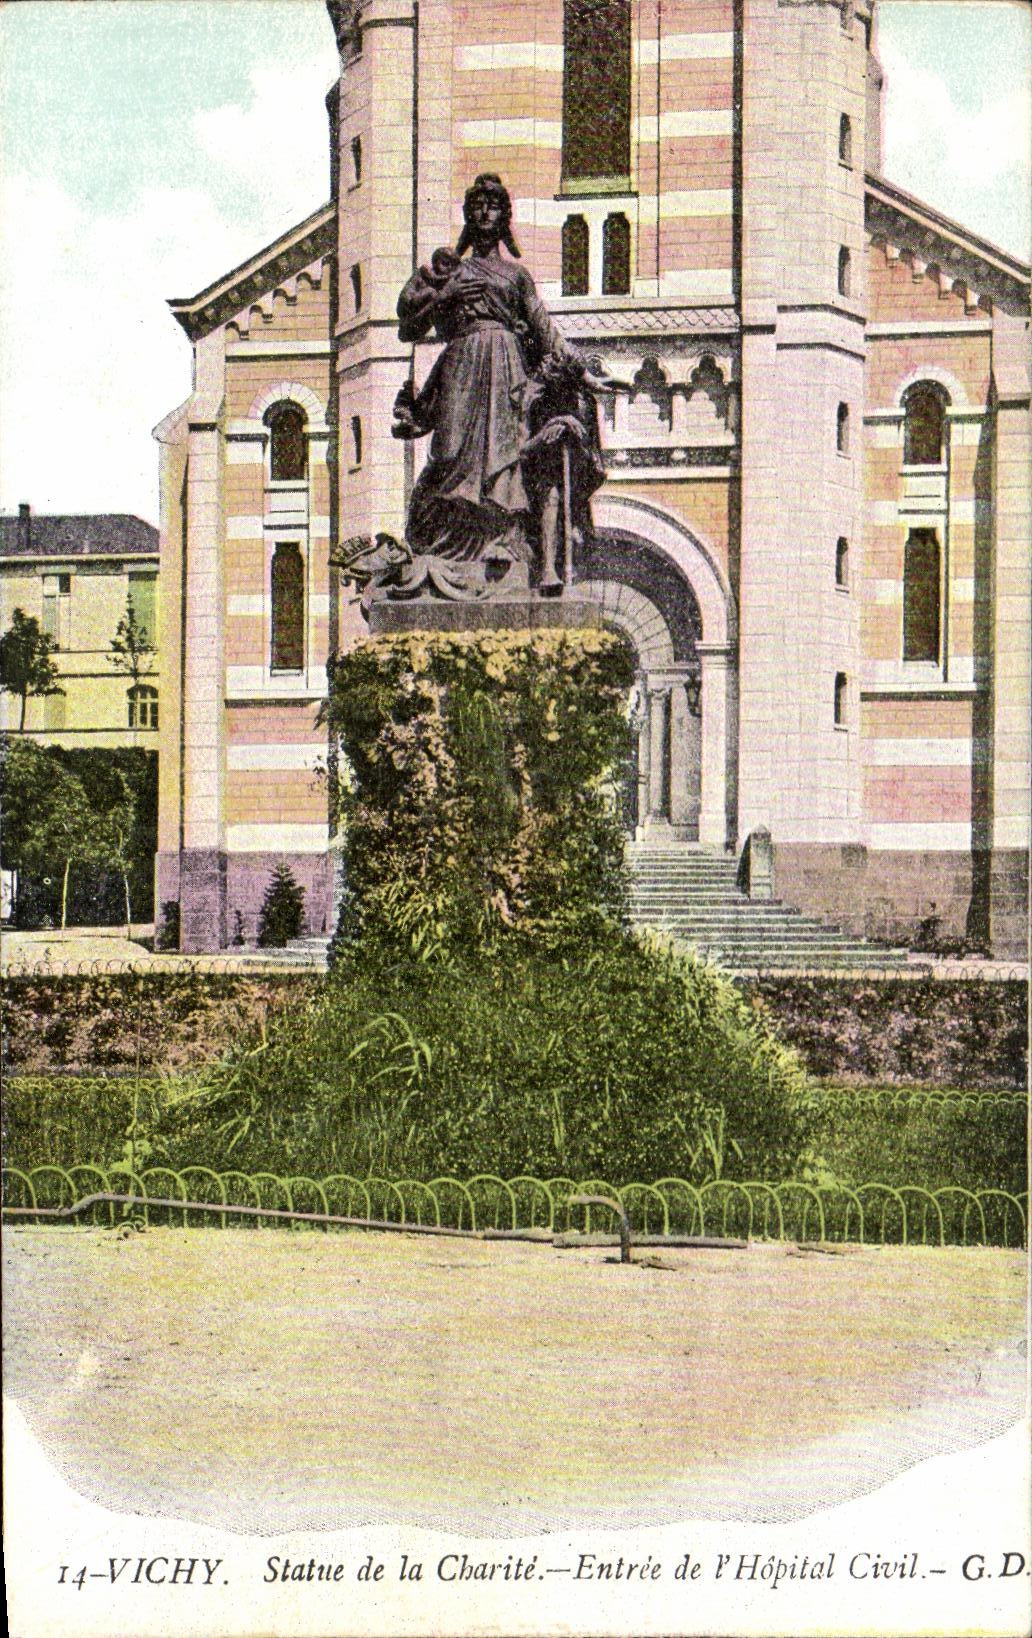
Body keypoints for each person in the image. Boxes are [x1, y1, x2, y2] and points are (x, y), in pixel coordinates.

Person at [394, 173, 587, 575]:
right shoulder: (448, 273)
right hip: (461, 366)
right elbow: (408, 328)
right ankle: (444, 549)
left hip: (505, 368)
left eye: (493, 205)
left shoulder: (516, 275)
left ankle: (500, 543)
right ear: (467, 215)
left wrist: (581, 370)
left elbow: (543, 328)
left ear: (504, 217)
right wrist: (445, 297)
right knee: (449, 454)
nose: (484, 211)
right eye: (477, 205)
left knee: (503, 455)